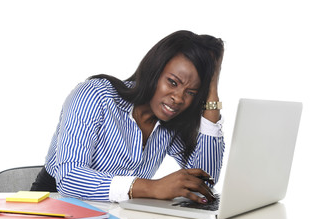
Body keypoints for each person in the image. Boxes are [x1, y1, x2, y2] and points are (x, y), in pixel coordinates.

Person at [31, 30, 225, 204]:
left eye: (191, 92)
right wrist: (152, 187)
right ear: (154, 71)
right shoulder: (95, 95)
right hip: (53, 210)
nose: (178, 98)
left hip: (117, 218)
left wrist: (212, 91)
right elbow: (69, 179)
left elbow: (204, 181)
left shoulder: (171, 122)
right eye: (172, 82)